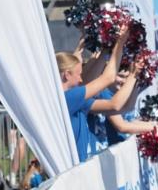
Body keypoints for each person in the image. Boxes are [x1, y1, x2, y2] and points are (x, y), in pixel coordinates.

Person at [56, 27, 139, 163]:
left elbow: (116, 106)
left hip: (80, 168)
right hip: (71, 173)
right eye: (78, 75)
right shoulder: (68, 98)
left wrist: (106, 48)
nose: (81, 79)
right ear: (66, 75)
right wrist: (119, 43)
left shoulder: (74, 99)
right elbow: (108, 78)